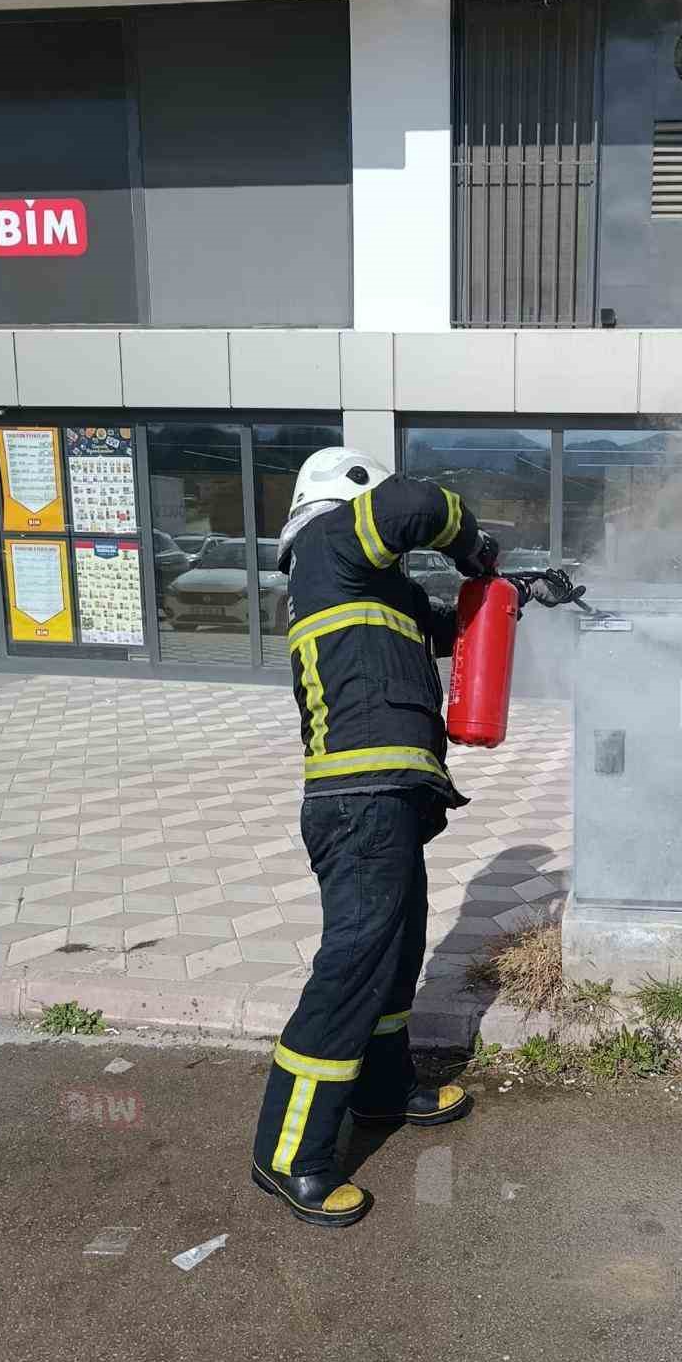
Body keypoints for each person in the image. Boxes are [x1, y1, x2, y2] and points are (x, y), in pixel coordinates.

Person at [251, 447, 545, 1228]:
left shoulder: (375, 588)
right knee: (351, 970)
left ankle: (383, 1093)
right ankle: (289, 1151)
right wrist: (475, 548)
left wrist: (507, 594)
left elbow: (447, 633)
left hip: (389, 802)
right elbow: (417, 504)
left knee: (393, 958)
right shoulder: (326, 547)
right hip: (357, 803)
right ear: (345, 503)